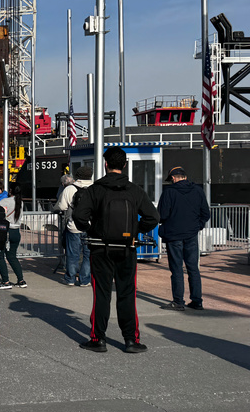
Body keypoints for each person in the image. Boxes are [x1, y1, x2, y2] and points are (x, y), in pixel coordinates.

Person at [72, 147, 160, 354]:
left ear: (105, 164)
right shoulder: (134, 190)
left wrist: (92, 229)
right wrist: (134, 230)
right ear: (125, 165)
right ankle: (131, 340)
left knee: (101, 294)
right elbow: (153, 218)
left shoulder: (95, 190)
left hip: (100, 248)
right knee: (127, 293)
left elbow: (79, 217)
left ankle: (98, 339)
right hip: (127, 248)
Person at [157, 166, 211, 311]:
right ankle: (197, 300)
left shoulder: (169, 192)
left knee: (177, 269)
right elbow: (206, 213)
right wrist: (197, 226)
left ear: (174, 178)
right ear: (185, 176)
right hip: (191, 234)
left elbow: (162, 215)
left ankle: (178, 301)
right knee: (193, 268)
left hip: (174, 235)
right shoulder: (198, 191)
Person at [54, 166, 94, 287]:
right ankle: (85, 280)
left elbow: (61, 207)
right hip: (91, 227)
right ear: (90, 175)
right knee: (88, 255)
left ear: (77, 176)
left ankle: (70, 279)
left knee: (73, 254)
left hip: (74, 226)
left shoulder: (70, 189)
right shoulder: (95, 188)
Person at [0, 180, 26, 289]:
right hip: (16, 231)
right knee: (12, 256)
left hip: (6, 232)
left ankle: (5, 281)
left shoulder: (5, 201)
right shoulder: (21, 202)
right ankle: (21, 280)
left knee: (0, 256)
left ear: (10, 190)